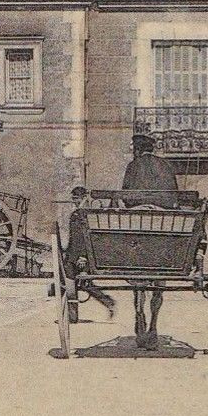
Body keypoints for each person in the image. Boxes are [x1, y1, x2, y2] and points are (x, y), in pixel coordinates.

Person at [122, 134, 179, 347]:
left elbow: (126, 196)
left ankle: (139, 313)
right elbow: (174, 196)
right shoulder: (166, 166)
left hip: (138, 222)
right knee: (160, 272)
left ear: (137, 149)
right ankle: (154, 325)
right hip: (162, 222)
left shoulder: (133, 166)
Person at [63, 186, 114, 317]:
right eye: (74, 199)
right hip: (79, 254)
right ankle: (107, 301)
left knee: (76, 280)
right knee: (79, 282)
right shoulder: (82, 213)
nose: (75, 201)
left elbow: (83, 238)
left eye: (77, 198)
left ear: (85, 197)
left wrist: (82, 257)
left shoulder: (81, 215)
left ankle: (74, 313)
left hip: (83, 256)